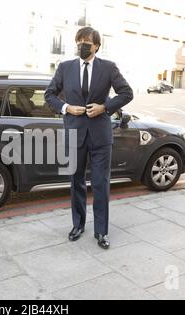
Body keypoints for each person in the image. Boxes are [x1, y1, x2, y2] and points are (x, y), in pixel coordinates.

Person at [45, 27, 133, 249]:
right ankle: (78, 225)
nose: (81, 45)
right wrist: (66, 108)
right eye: (79, 41)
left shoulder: (108, 68)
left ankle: (101, 232)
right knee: (76, 182)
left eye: (86, 41)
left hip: (100, 136)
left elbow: (126, 92)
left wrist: (105, 108)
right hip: (74, 133)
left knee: (101, 184)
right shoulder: (65, 68)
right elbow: (49, 95)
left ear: (96, 46)